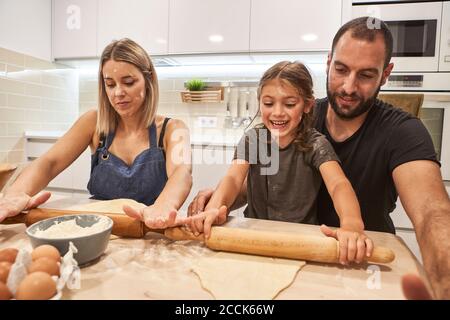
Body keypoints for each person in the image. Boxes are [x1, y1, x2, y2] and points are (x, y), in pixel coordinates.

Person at [188, 17, 450, 299]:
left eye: (365, 75)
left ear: (386, 74)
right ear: (328, 63)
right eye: (341, 69)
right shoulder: (291, 123)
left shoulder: (401, 131)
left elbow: (431, 213)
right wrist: (218, 201)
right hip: (272, 248)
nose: (349, 86)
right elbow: (248, 180)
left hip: (355, 264)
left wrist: (444, 280)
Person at [188, 61, 374, 265]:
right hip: (253, 233)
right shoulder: (254, 139)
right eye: (268, 104)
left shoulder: (315, 144)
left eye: (289, 104)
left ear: (307, 105)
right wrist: (214, 207)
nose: (277, 112)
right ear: (260, 103)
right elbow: (233, 178)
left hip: (300, 240)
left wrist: (352, 226)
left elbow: (338, 185)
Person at [0, 38, 192, 229]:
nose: (118, 93)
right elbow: (50, 163)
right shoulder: (94, 123)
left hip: (151, 230)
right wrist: (16, 193)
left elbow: (181, 173)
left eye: (128, 82)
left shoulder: (173, 129)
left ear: (148, 80)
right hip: (97, 229)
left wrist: (163, 207)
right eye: (110, 84)